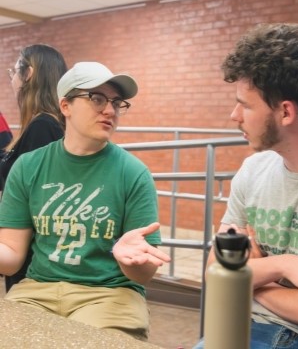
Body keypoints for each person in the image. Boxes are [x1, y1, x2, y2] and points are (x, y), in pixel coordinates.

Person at [194, 23, 298, 349]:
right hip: (250, 328)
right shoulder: (252, 170)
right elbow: (215, 271)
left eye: (245, 104)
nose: (234, 115)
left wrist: (249, 278)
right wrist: (284, 265)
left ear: (285, 112)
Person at [0, 61, 171, 341]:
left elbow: (144, 274)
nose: (109, 110)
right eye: (97, 98)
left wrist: (131, 262)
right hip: (37, 291)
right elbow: (11, 257)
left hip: (109, 294)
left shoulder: (133, 172)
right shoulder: (28, 167)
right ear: (65, 106)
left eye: (117, 103)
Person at [1, 44, 67, 292]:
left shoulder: (43, 126)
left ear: (28, 73)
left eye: (14, 72)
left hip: (29, 254)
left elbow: (34, 195)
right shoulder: (42, 123)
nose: (12, 80)